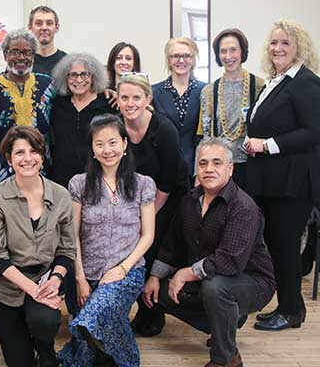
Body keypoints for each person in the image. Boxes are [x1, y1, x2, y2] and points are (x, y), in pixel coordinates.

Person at [143, 137, 276, 367]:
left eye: (217, 163)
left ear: (230, 168)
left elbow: (230, 260)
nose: (209, 169)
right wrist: (154, 277)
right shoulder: (190, 200)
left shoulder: (243, 207)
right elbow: (172, 244)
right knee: (159, 292)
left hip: (253, 281)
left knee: (215, 288)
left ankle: (225, 359)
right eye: (203, 163)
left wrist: (185, 273)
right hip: (211, 278)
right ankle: (227, 320)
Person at [58, 114, 155, 367]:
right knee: (89, 355)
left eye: (112, 142)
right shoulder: (79, 184)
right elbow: (72, 234)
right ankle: (112, 356)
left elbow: (148, 236)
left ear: (124, 144)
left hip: (127, 272)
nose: (106, 150)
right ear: (92, 148)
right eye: (99, 144)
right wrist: (79, 278)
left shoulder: (143, 184)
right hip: (86, 273)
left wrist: (122, 268)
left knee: (89, 321)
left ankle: (83, 335)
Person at [245, 20, 320, 331]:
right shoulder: (277, 81)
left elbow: (314, 131)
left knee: (286, 245)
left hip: (294, 182)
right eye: (274, 43)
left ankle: (291, 311)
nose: (277, 48)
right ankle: (288, 305)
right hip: (275, 180)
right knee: (277, 243)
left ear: (298, 48)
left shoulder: (305, 82)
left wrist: (267, 145)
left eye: (285, 43)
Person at [0, 126, 75, 367]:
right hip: (6, 287)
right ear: (9, 159)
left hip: (45, 278)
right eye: (19, 153)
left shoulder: (61, 195)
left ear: (42, 156)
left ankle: (44, 346)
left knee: (45, 322)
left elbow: (67, 250)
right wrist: (33, 291)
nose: (28, 159)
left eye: (34, 151)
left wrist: (54, 280)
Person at [117, 74, 190, 337]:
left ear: (148, 99)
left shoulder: (164, 129)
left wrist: (146, 217)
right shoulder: (117, 128)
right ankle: (134, 308)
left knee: (152, 248)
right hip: (135, 199)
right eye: (124, 97)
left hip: (168, 198)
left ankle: (153, 314)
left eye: (136, 97)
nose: (130, 103)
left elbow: (168, 182)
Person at [0, 29, 56, 184]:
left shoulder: (48, 85)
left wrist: (107, 90)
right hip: (2, 170)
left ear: (33, 56)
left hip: (42, 168)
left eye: (27, 52)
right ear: (5, 55)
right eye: (14, 52)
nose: (21, 57)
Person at [197, 29, 264, 187]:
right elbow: (205, 136)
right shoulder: (208, 91)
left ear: (242, 51)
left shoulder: (260, 86)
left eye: (233, 50)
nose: (228, 56)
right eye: (223, 51)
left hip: (252, 167)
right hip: (219, 168)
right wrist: (198, 173)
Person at [50, 53, 113, 188]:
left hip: (96, 179)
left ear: (93, 77)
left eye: (85, 74)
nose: (78, 80)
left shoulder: (107, 104)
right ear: (65, 78)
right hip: (60, 181)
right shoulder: (57, 105)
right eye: (73, 75)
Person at [152, 37, 205, 176]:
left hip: (195, 168)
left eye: (187, 56)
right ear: (169, 60)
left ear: (193, 59)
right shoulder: (154, 92)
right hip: (162, 166)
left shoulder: (205, 91)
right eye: (176, 56)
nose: (181, 61)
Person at [28, 6, 67, 75]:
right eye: (39, 23)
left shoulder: (66, 61)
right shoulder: (23, 61)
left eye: (49, 23)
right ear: (30, 27)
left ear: (57, 28)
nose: (44, 28)